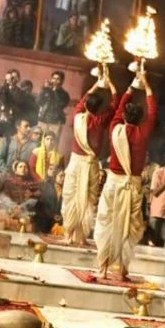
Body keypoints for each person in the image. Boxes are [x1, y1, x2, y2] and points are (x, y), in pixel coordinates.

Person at [95, 71, 158, 280]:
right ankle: (122, 269)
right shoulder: (144, 132)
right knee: (129, 229)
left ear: (123, 117)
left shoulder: (115, 129)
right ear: (141, 119)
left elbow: (118, 110)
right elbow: (154, 111)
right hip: (133, 186)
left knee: (107, 223)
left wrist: (131, 87)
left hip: (114, 183)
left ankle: (103, 267)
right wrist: (146, 85)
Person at [60, 76, 113, 246]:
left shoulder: (78, 117)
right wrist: (111, 86)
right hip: (90, 165)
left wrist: (96, 85)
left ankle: (68, 235)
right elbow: (115, 105)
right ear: (99, 109)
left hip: (76, 164)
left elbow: (81, 102)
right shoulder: (100, 120)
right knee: (88, 200)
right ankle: (81, 237)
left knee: (71, 198)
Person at [37, 71, 72, 135]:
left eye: (57, 79)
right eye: (53, 78)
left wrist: (54, 91)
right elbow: (38, 101)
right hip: (43, 119)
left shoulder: (65, 94)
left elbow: (60, 105)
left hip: (55, 122)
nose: (55, 81)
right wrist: (44, 89)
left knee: (51, 141)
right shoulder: (46, 90)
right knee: (38, 140)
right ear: (51, 79)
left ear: (62, 81)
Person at [33, 169, 65, 234]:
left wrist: (61, 216)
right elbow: (42, 206)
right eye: (61, 176)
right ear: (55, 176)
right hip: (47, 216)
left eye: (64, 176)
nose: (63, 178)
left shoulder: (66, 190)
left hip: (60, 218)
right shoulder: (47, 187)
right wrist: (53, 215)